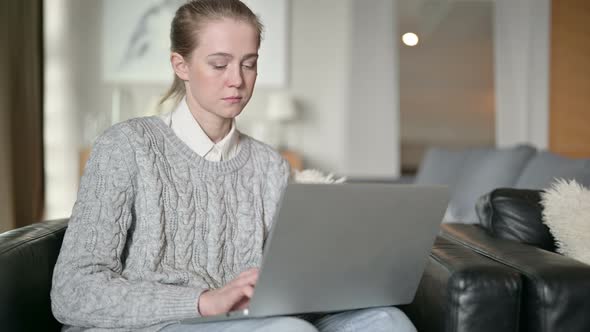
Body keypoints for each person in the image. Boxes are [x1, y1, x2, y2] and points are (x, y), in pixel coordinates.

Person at [50, 1, 417, 331]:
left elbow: (284, 286)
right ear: (182, 65)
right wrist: (203, 301)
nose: (237, 80)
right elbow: (72, 291)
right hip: (158, 323)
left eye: (249, 63)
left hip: (251, 319)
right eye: (219, 64)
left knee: (388, 320)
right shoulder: (127, 146)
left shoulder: (269, 166)